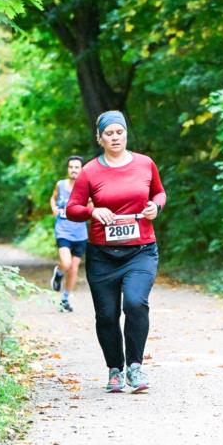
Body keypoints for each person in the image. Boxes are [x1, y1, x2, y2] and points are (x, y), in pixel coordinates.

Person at [66, 111, 166, 394]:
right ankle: (114, 370)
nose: (115, 138)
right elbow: (72, 209)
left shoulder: (145, 163)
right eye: (108, 133)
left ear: (126, 134)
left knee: (135, 303)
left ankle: (135, 367)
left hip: (141, 250)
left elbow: (159, 193)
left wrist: (156, 207)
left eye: (119, 132)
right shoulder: (89, 171)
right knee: (107, 315)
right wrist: (92, 211)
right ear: (100, 138)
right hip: (103, 256)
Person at [50, 155, 88, 312]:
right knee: (66, 263)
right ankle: (59, 273)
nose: (73, 170)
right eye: (71, 167)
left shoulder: (86, 188)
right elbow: (53, 199)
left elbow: (92, 206)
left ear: (81, 169)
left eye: (76, 167)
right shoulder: (60, 185)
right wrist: (54, 209)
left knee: (73, 268)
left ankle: (65, 299)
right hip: (63, 231)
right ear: (68, 169)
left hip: (80, 234)